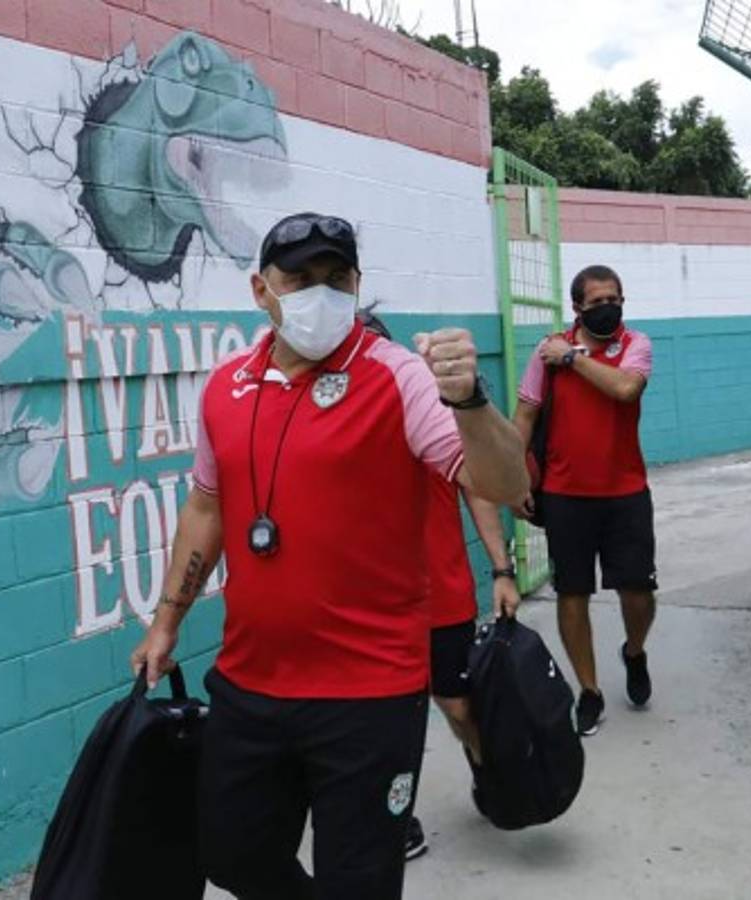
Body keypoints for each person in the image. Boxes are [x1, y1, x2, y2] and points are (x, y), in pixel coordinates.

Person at [130, 212, 529, 900]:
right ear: (261, 290)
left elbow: (505, 484)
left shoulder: (399, 377)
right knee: (231, 856)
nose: (322, 293)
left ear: (357, 283)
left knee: (361, 881)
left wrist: (468, 400)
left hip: (367, 696)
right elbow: (206, 508)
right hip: (251, 684)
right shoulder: (224, 387)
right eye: (300, 278)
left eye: (336, 278)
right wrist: (167, 619)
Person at [358, 307, 520, 861]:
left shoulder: (429, 416)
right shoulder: (328, 429)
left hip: (440, 595)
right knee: (377, 723)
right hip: (365, 610)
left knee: (456, 707)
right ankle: (394, 812)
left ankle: (486, 771)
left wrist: (502, 570)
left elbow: (480, 491)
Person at [513, 264, 657, 737]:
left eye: (613, 299)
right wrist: (516, 479)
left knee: (638, 592)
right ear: (577, 308)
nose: (606, 309)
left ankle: (634, 652)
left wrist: (572, 359)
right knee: (572, 593)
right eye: (595, 303)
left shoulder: (635, 345)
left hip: (626, 493)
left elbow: (624, 388)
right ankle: (589, 692)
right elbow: (526, 416)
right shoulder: (546, 353)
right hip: (564, 496)